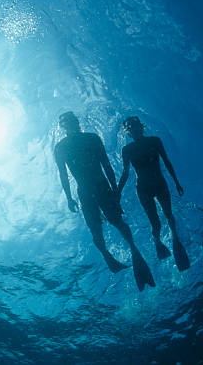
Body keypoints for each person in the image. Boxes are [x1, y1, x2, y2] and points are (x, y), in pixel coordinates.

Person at [54, 111, 155, 291]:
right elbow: (63, 174)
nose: (72, 125)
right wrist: (69, 198)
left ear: (76, 123)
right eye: (69, 122)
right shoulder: (64, 147)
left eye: (73, 121)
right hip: (88, 191)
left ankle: (133, 251)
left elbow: (106, 164)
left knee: (116, 222)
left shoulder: (89, 139)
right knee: (97, 229)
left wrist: (115, 189)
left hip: (100, 188)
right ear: (65, 126)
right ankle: (110, 256)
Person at [118, 116, 190, 272]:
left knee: (168, 214)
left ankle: (175, 239)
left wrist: (176, 182)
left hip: (160, 184)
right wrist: (117, 192)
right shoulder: (127, 150)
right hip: (143, 189)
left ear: (141, 127)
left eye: (137, 127)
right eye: (131, 129)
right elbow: (125, 173)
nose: (135, 130)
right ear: (128, 132)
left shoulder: (155, 141)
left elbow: (167, 161)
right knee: (155, 222)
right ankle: (157, 242)